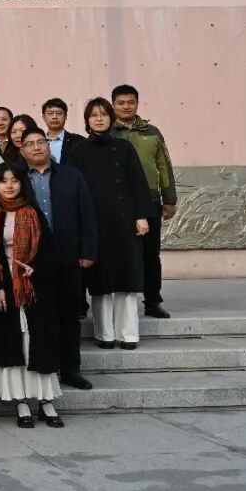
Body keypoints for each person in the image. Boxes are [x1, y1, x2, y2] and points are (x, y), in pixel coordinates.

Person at [67, 98, 153, 351]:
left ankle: (129, 334)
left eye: (103, 114)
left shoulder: (124, 147)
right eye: (93, 115)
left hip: (124, 222)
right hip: (95, 224)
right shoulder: (78, 151)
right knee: (100, 282)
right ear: (87, 120)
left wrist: (142, 215)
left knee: (127, 279)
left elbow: (138, 183)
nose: (99, 118)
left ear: (111, 118)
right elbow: (73, 190)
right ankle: (104, 334)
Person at [0, 163, 64, 429]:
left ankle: (46, 401)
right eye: (3, 181)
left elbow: (50, 251)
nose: (9, 186)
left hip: (34, 287)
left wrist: (35, 270)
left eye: (14, 180)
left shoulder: (33, 212)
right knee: (12, 344)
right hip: (3, 288)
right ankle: (20, 402)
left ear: (22, 184)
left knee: (36, 343)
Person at [20, 128, 98, 391]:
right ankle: (46, 370)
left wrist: (87, 251)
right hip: (31, 261)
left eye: (40, 142)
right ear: (22, 151)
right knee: (41, 318)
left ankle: (71, 370)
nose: (36, 147)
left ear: (48, 145)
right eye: (29, 144)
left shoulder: (71, 176)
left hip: (68, 257)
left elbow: (87, 215)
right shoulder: (16, 179)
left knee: (69, 315)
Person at [111, 84, 178, 320]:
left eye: (130, 102)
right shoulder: (108, 133)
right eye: (121, 103)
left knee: (151, 254)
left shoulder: (152, 132)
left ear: (137, 104)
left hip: (149, 200)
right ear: (113, 105)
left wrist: (169, 198)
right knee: (119, 254)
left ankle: (152, 302)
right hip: (118, 202)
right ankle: (117, 305)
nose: (126, 107)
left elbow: (164, 166)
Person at [41, 98, 86, 164]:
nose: (54, 117)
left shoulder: (78, 141)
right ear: (44, 118)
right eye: (50, 113)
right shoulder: (37, 142)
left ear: (65, 117)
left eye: (59, 113)